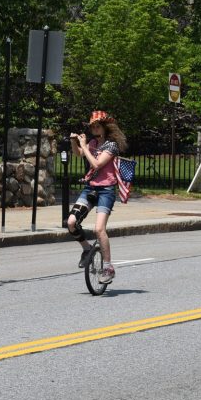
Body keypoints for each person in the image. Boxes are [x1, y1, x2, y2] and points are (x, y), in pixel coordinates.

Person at [66, 110, 128, 285]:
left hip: (106, 191)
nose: (94, 128)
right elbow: (78, 154)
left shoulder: (111, 145)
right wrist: (74, 142)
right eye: (92, 126)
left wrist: (84, 146)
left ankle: (108, 266)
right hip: (90, 188)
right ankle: (87, 249)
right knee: (71, 222)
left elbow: (97, 164)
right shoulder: (93, 142)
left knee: (99, 229)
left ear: (105, 127)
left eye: (97, 125)